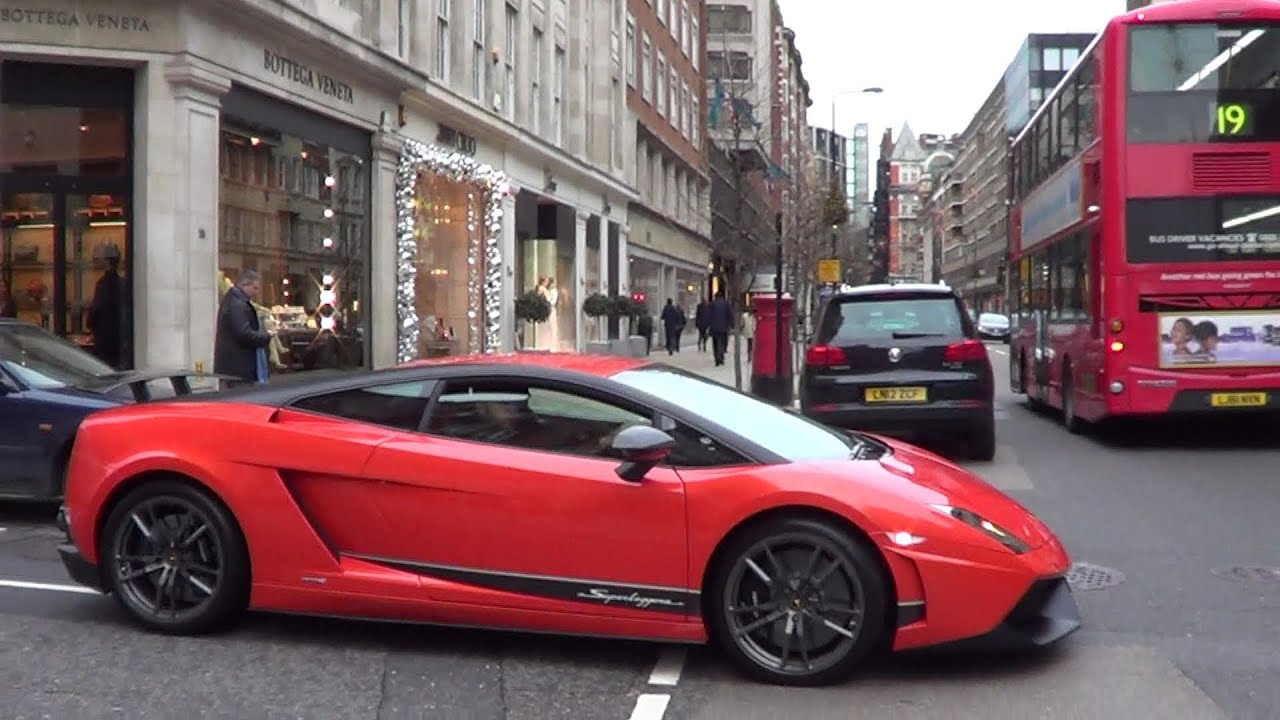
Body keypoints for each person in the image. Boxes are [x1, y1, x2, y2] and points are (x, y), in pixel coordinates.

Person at [214, 269, 273, 386]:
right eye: (255, 288)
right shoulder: (237, 304)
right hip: (239, 366)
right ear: (245, 285)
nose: (256, 292)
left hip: (235, 365)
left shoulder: (234, 300)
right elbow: (243, 333)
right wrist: (266, 336)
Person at [87, 245, 124, 368]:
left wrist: (90, 323)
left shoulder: (104, 283)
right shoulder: (120, 282)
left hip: (104, 334)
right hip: (117, 333)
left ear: (106, 260)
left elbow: (98, 307)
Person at [709, 290, 733, 366]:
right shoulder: (726, 304)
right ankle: (721, 357)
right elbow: (730, 315)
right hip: (724, 327)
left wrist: (709, 325)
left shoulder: (712, 304)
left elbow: (709, 315)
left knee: (715, 344)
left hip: (714, 327)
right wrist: (731, 325)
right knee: (722, 343)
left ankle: (717, 358)